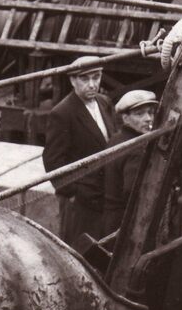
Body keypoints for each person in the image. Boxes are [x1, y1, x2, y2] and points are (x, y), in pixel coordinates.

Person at [42, 56, 118, 255]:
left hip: (104, 194)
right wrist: (74, 192)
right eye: (85, 79)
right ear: (72, 80)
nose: (92, 84)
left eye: (96, 77)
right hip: (80, 203)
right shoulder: (62, 113)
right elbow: (52, 161)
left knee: (103, 249)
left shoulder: (104, 102)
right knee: (80, 252)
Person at [103, 89, 158, 235]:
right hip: (127, 223)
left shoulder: (116, 139)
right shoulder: (137, 149)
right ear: (125, 118)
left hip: (109, 218)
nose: (148, 119)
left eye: (150, 112)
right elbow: (132, 192)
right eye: (139, 114)